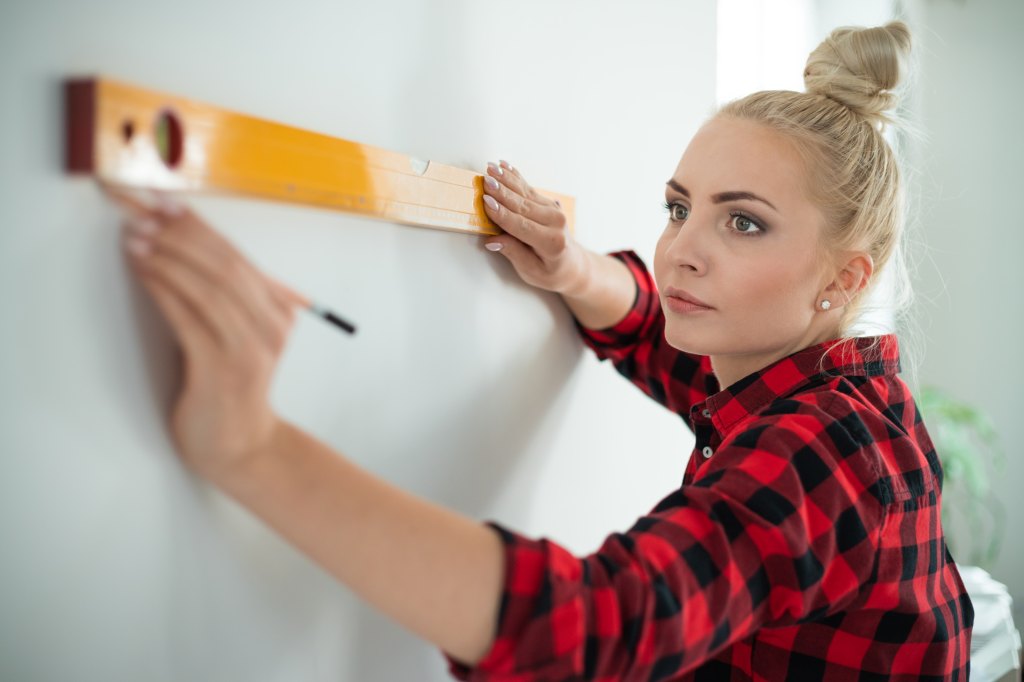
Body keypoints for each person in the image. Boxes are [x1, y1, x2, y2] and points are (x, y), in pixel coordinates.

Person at [106, 20, 973, 681]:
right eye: (680, 207)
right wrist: (570, 266)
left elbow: (600, 625)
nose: (682, 252)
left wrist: (253, 450)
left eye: (743, 222)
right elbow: (661, 340)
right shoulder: (830, 384)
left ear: (843, 275)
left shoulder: (831, 450)